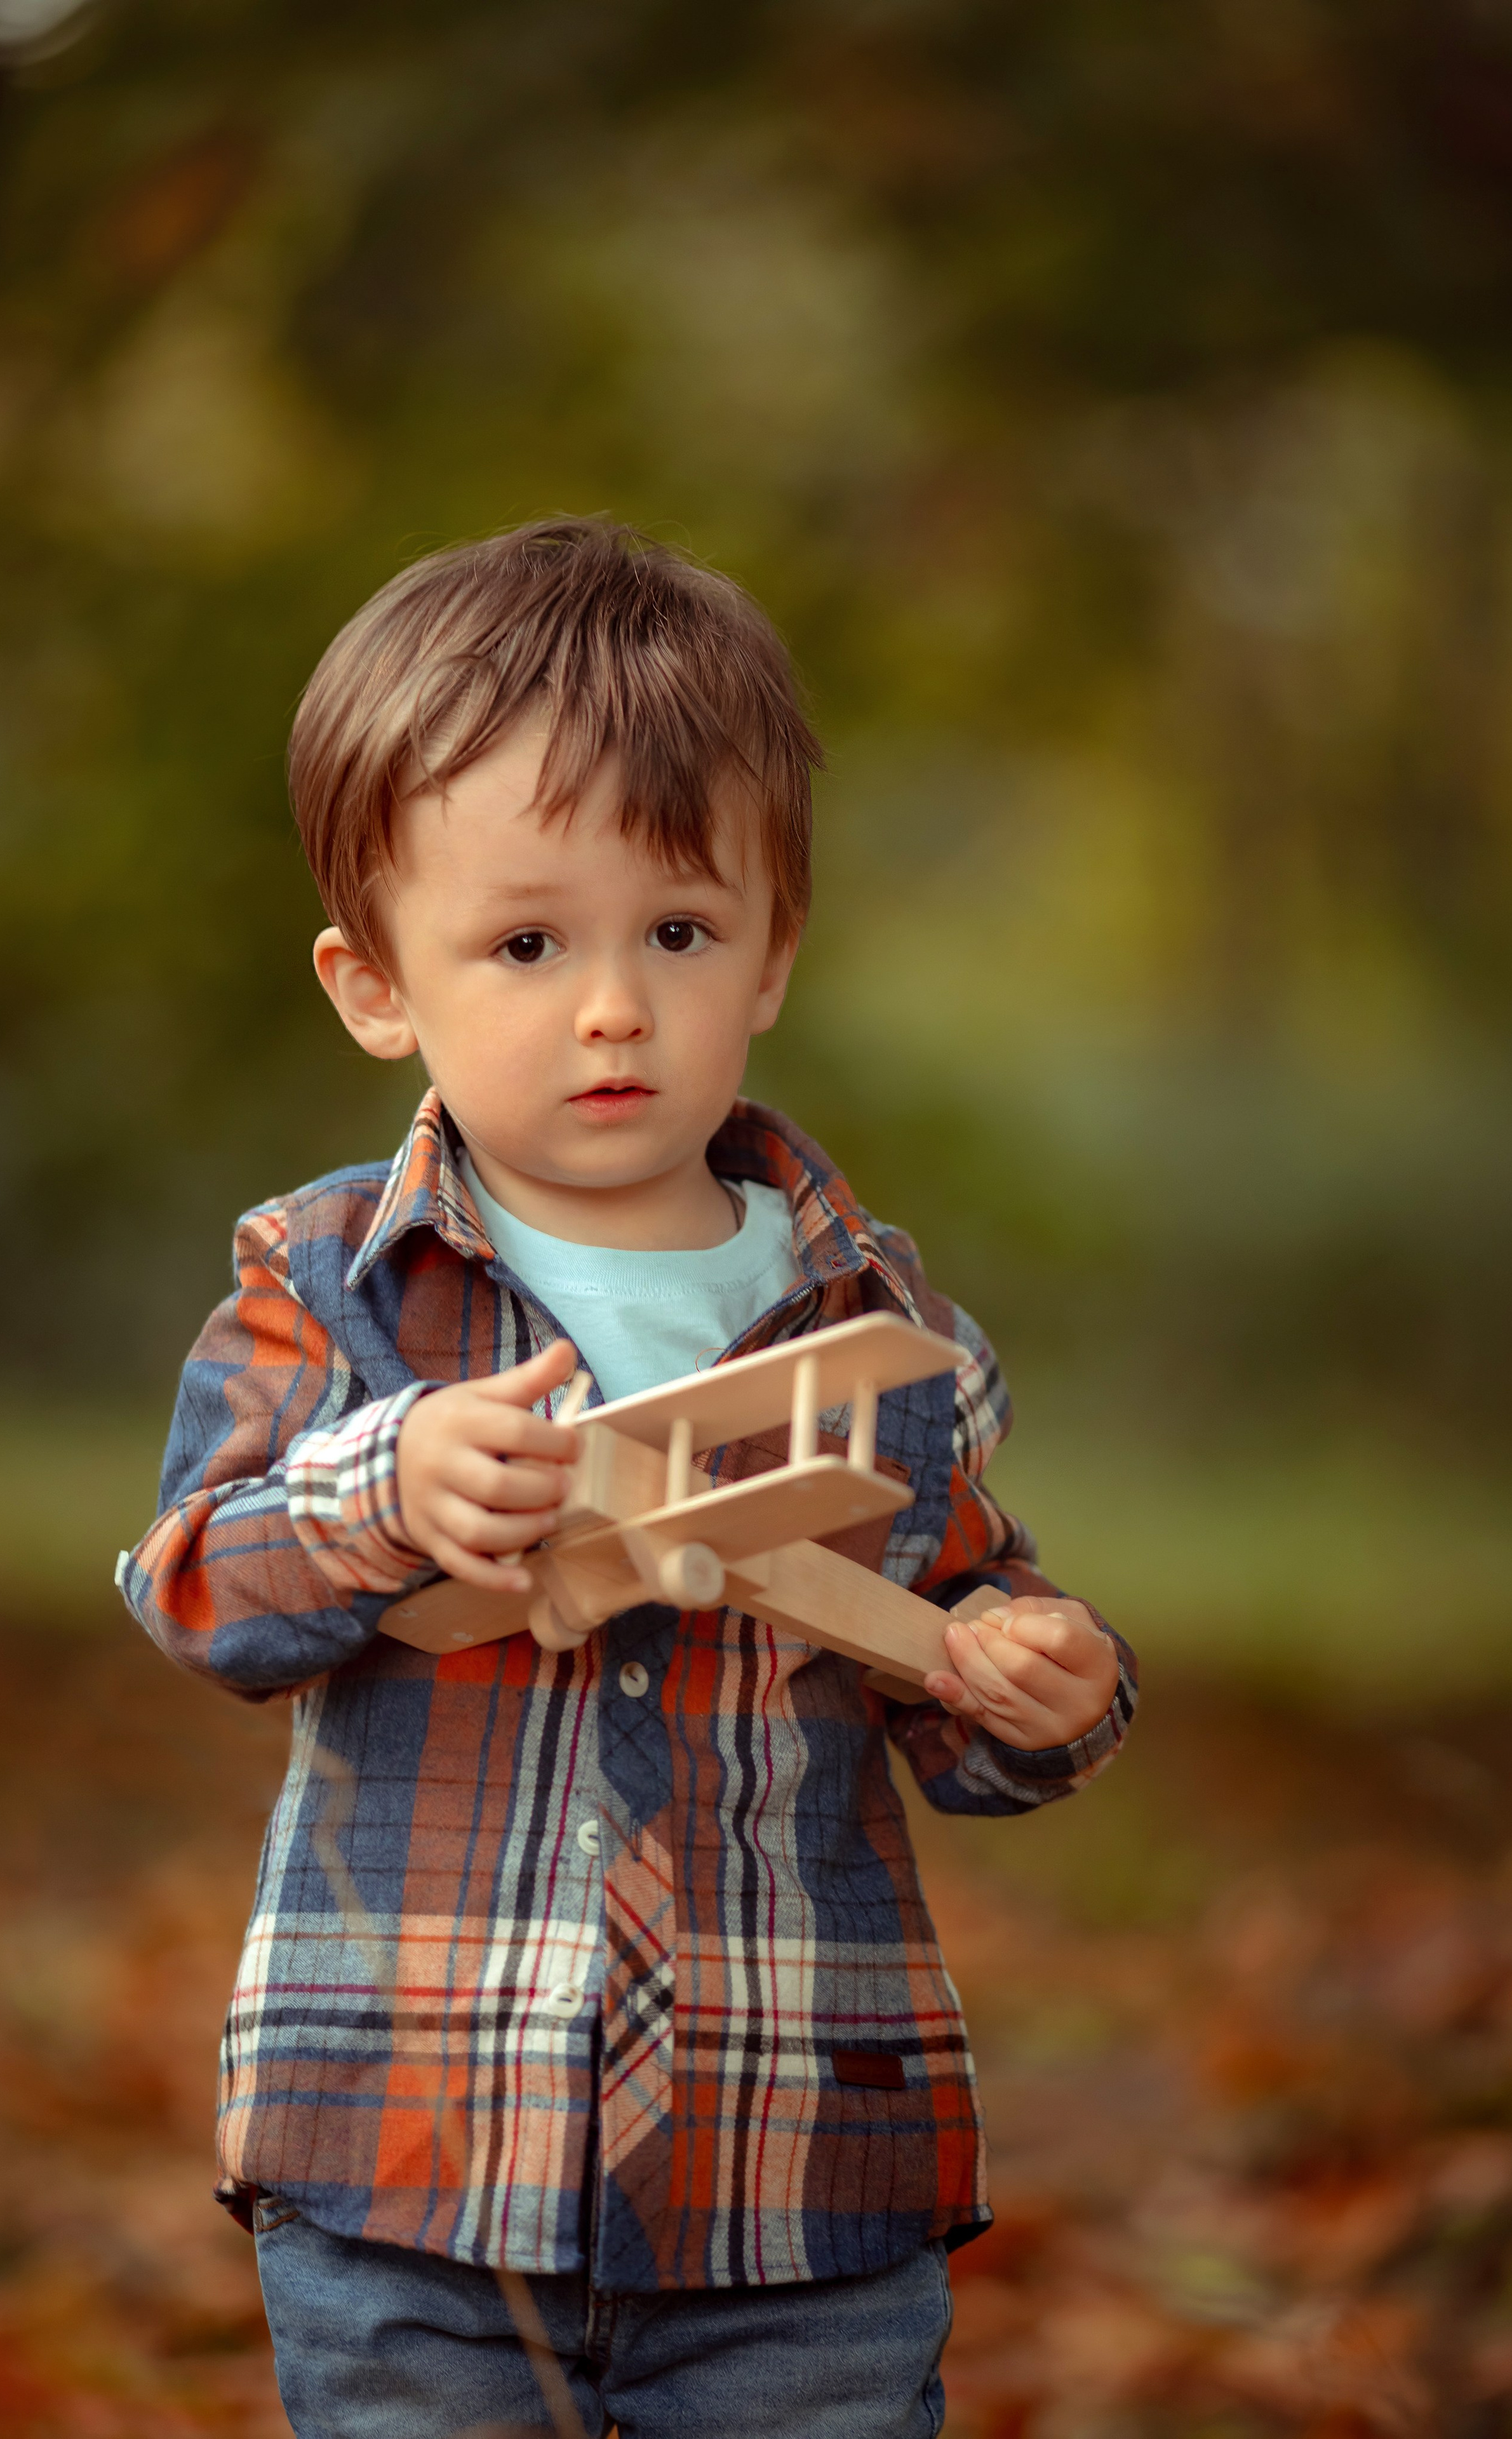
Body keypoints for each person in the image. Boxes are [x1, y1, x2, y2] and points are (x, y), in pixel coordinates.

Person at [117, 518, 1137, 2439]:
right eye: (527, 943)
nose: (612, 1006)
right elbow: (192, 1587)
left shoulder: (878, 1320)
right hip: (410, 2154)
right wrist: (385, 1491)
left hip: (793, 2180)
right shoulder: (331, 1282)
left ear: (773, 954)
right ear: (375, 984)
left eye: (678, 932)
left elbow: (955, 1642)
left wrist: (1039, 1681)